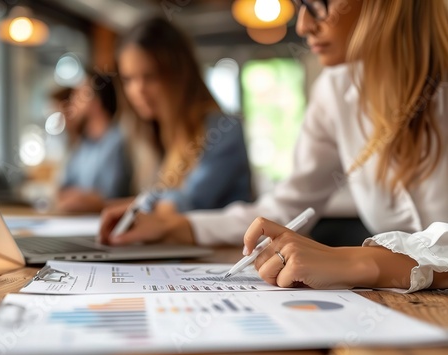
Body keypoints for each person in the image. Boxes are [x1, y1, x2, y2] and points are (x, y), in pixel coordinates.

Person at [99, 0, 448, 292]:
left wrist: (366, 262)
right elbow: (288, 206)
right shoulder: (335, 90)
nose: (303, 24)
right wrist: (178, 227)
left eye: (319, 3)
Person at [100, 17, 253, 217]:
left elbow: (189, 202)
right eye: (128, 79)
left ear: (180, 74)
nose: (138, 90)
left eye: (150, 76)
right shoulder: (153, 135)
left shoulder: (223, 128)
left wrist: (120, 206)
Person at [56, 68, 132, 212]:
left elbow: (109, 196)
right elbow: (62, 190)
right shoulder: (82, 145)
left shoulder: (118, 141)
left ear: (96, 101)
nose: (73, 100)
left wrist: (82, 198)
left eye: (80, 94)